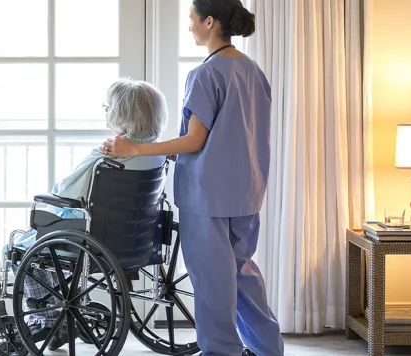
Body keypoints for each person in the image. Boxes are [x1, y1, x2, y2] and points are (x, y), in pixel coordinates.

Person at [101, 1, 284, 355]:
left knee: (213, 281)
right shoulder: (252, 70)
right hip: (246, 191)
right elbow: (233, 134)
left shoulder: (205, 74)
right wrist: (179, 148)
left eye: (192, 20)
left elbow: (196, 140)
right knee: (243, 274)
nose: (189, 27)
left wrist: (134, 150)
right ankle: (268, 349)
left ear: (210, 22)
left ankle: (221, 351)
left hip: (208, 196)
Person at [0, 78, 168, 350]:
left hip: (95, 241)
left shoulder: (108, 155)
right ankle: (71, 312)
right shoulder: (157, 154)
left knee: (18, 250)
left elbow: (65, 190)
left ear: (121, 113)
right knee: (57, 247)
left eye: (108, 107)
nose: (106, 111)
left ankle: (49, 318)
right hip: (135, 241)